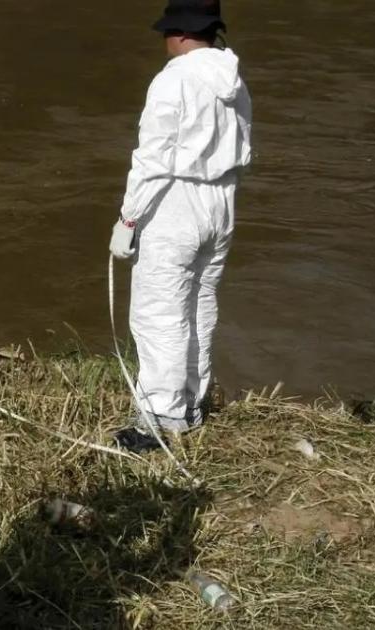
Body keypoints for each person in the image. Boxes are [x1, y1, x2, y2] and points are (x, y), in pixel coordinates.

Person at [109, 0, 252, 450]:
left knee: (159, 313)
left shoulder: (173, 78)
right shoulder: (233, 79)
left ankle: (158, 421)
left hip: (176, 202)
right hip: (222, 200)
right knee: (199, 305)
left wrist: (128, 218)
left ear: (180, 34)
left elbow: (151, 159)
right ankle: (191, 404)